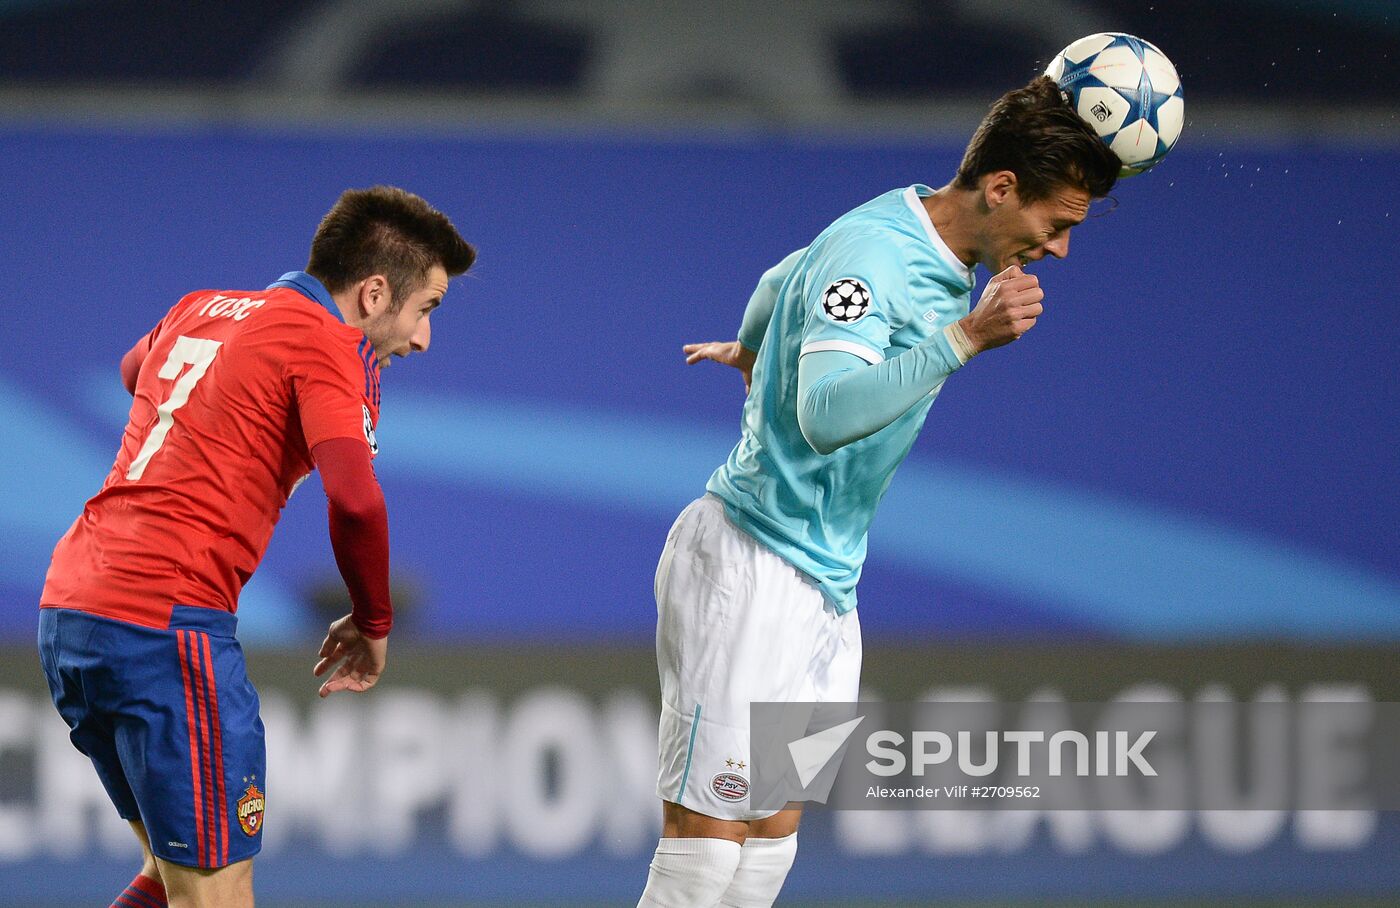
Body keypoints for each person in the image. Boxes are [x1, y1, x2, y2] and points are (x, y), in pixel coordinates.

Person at [637, 76, 1122, 907]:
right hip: (749, 561)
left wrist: (756, 347)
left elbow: (780, 276)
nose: (1061, 249)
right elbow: (824, 414)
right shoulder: (880, 253)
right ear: (1002, 189)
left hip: (826, 585)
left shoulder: (929, 244)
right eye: (1058, 224)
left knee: (768, 845)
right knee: (706, 846)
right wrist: (964, 338)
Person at [37, 186, 475, 908]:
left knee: (172, 875)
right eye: (425, 309)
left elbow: (132, 372)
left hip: (74, 608)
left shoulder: (200, 306)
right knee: (218, 892)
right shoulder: (327, 344)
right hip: (164, 623)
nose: (423, 338)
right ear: (373, 294)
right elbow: (356, 499)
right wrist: (373, 622)